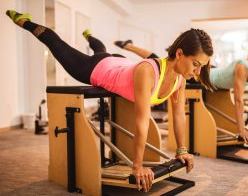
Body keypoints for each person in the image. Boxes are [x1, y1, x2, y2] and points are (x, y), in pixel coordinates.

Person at [7, 10, 215, 192]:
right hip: (97, 69)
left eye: (201, 67)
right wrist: (137, 166)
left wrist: (182, 150)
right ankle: (24, 21)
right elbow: (141, 121)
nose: (197, 72)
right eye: (196, 64)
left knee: (101, 50)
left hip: (118, 62)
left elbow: (179, 115)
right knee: (57, 44)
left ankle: (90, 36)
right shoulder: (148, 71)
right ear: (179, 54)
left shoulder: (180, 78)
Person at [113, 39, 248, 145]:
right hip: (204, 77)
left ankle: (131, 45)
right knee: (155, 59)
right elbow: (239, 100)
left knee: (156, 58)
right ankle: (128, 46)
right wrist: (240, 130)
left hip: (215, 76)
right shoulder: (243, 66)